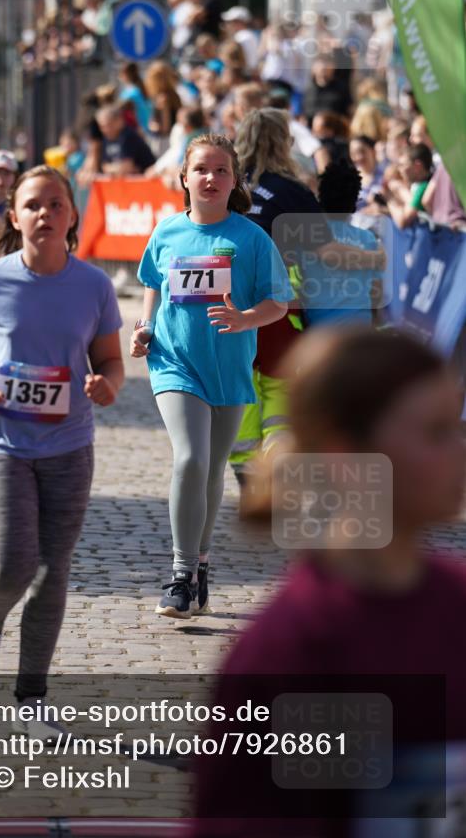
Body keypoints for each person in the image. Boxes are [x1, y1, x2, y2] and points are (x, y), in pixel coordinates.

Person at [192, 327, 466, 835]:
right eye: (436, 431)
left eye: (457, 425)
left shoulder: (457, 600)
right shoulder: (292, 652)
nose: (460, 450)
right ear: (347, 455)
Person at [0, 165, 124, 701]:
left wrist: (107, 386)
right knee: (9, 565)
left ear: (72, 216)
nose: (44, 213)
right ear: (14, 215)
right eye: (32, 205)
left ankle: (32, 696)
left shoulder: (93, 286)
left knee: (52, 572)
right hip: (2, 442)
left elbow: (111, 361)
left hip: (70, 445)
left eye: (55, 204)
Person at [131, 133, 293, 618]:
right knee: (190, 460)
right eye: (201, 168)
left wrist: (246, 318)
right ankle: (180, 575)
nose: (210, 178)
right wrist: (143, 330)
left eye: (222, 170)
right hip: (175, 362)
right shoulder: (165, 233)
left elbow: (278, 304)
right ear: (183, 177)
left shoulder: (251, 238)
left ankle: (201, 564)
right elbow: (152, 288)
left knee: (212, 468)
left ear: (235, 181)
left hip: (229, 368)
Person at [229, 109, 386, 517]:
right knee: (277, 394)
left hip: (223, 307)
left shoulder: (221, 182)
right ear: (284, 142)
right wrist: (377, 257)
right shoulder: (291, 192)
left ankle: (250, 480)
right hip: (273, 310)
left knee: (239, 394)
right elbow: (329, 253)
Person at [301, 161, 382, 327]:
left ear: (320, 194)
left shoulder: (306, 237)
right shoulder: (369, 240)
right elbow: (376, 293)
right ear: (355, 198)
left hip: (319, 332)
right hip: (360, 329)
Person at [96, 105, 155, 177]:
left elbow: (126, 168)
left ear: (119, 121)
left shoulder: (128, 136)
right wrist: (118, 168)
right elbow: (104, 167)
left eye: (109, 125)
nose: (106, 130)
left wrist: (114, 168)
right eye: (102, 127)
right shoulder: (107, 139)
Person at [385, 143, 433, 230]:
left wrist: (389, 199)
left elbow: (402, 221)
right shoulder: (416, 185)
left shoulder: (424, 187)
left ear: (418, 166)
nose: (399, 170)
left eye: (402, 165)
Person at [118, 61, 153, 133]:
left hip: (137, 129)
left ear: (125, 75)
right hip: (146, 128)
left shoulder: (131, 93)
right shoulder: (140, 88)